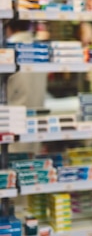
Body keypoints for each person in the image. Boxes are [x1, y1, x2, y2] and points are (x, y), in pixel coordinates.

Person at [5, 18, 48, 153]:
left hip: (11, 130)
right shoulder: (40, 50)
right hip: (35, 129)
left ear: (8, 28)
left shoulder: (7, 51)